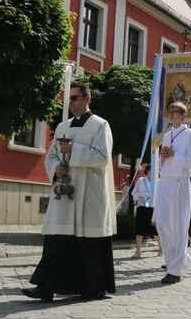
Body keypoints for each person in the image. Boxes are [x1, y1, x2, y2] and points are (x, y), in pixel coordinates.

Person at [22, 82, 115, 301]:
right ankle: (46, 287)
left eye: (75, 98)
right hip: (64, 191)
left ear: (87, 99)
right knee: (57, 241)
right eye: (69, 98)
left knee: (87, 243)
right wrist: (56, 168)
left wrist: (73, 150)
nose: (71, 102)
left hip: (88, 193)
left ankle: (92, 288)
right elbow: (51, 156)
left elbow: (102, 157)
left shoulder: (100, 125)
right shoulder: (63, 127)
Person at [152, 102, 191, 284]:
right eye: (169, 112)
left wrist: (174, 155)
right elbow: (166, 161)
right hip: (165, 183)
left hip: (180, 184)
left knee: (178, 225)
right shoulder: (166, 136)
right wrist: (163, 157)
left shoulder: (189, 134)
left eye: (174, 112)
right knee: (163, 224)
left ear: (183, 116)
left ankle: (175, 270)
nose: (171, 115)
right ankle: (173, 261)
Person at [132, 165, 159, 258]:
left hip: (153, 208)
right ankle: (138, 251)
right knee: (139, 230)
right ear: (147, 170)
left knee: (155, 231)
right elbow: (134, 193)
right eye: (152, 170)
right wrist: (141, 195)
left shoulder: (158, 181)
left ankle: (161, 249)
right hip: (142, 206)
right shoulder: (141, 180)